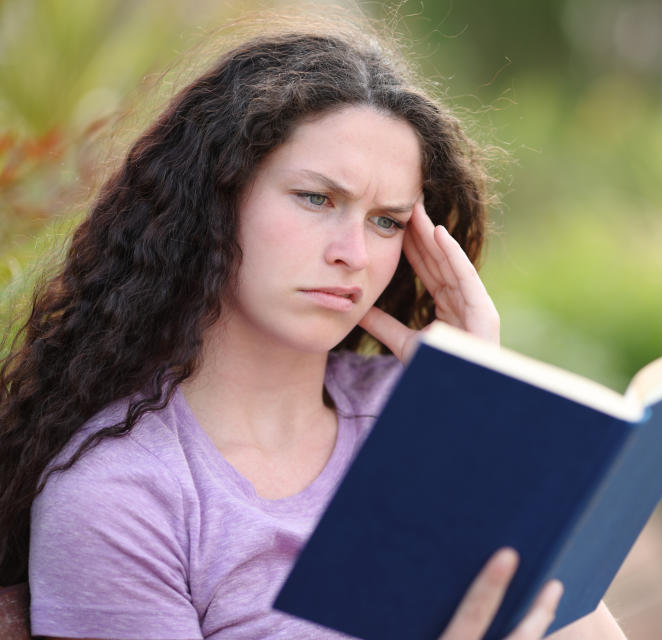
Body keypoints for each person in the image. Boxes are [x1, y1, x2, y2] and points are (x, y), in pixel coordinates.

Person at [0, 20, 627, 640]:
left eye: (386, 221)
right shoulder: (124, 495)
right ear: (216, 200)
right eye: (317, 199)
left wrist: (478, 399)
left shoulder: (416, 413)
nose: (353, 252)